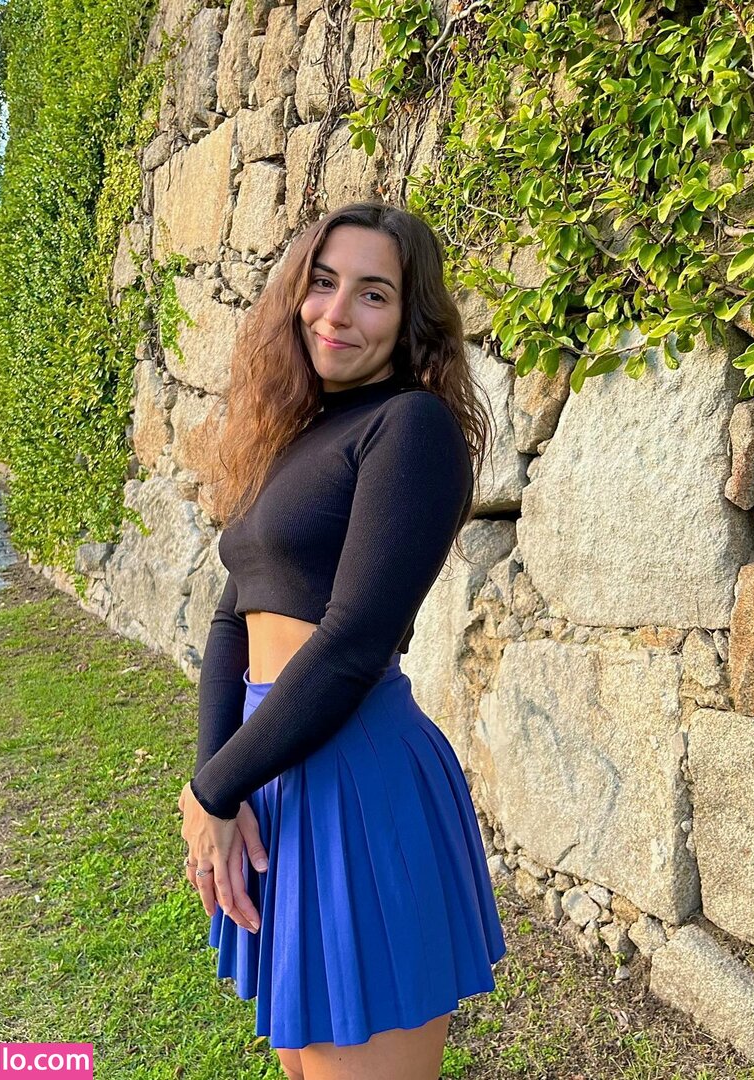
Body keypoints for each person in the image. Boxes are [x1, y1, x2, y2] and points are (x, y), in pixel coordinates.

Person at [177, 200, 506, 1080]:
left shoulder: (411, 427)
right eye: (322, 283)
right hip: (273, 767)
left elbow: (356, 640)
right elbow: (232, 615)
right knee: (305, 1061)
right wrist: (219, 783)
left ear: (409, 320)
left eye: (373, 293)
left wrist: (216, 787)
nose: (337, 312)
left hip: (356, 774)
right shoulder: (297, 433)